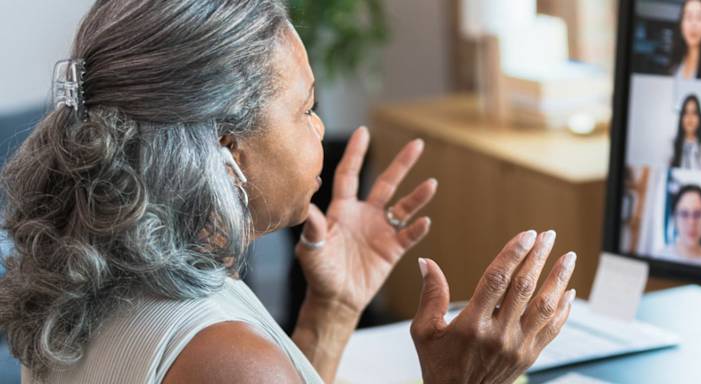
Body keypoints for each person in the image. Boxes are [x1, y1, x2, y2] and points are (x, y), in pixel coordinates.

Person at [0, 1, 578, 383]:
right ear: (226, 148)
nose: (321, 127)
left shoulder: (93, 284)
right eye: (305, 108)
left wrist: (332, 311)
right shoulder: (223, 356)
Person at [661, 184, 701, 269]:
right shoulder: (661, 257)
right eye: (684, 214)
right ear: (674, 218)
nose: (691, 222)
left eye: (697, 214)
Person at [670, 94, 701, 170]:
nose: (690, 118)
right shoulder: (671, 145)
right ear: (681, 117)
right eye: (686, 113)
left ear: (699, 118)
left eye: (694, 113)